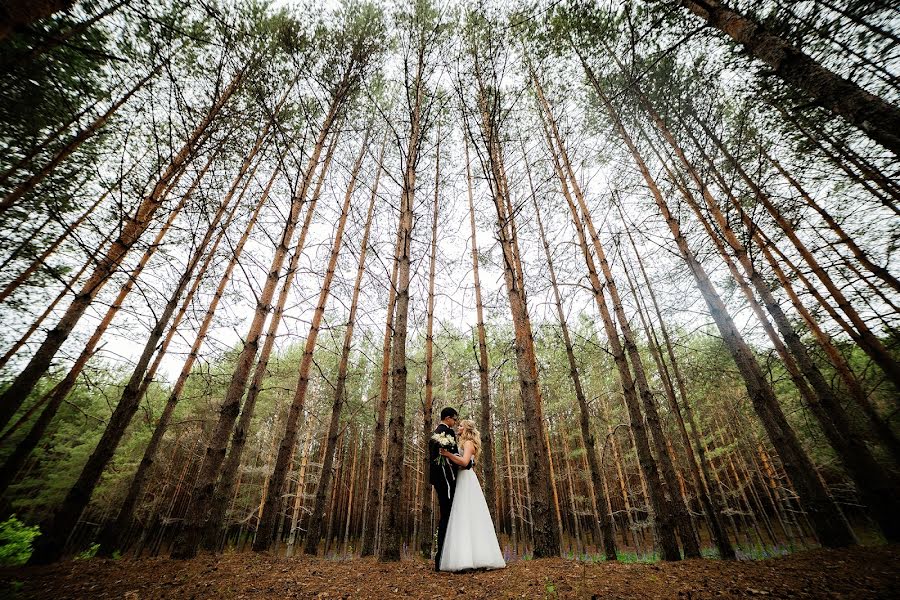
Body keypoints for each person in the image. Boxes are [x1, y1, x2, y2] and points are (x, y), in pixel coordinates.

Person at [438, 419, 506, 572]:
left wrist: (448, 455)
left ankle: (473, 559)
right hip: (463, 478)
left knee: (467, 515)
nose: (458, 427)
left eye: (461, 425)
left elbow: (464, 461)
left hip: (467, 479)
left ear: (467, 429)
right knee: (464, 516)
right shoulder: (464, 442)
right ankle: (467, 557)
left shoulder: (468, 443)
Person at [429, 406, 464, 571]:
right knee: (447, 516)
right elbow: (453, 456)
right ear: (448, 418)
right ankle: (442, 558)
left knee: (446, 515)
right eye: (454, 419)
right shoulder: (446, 433)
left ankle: (443, 557)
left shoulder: (435, 433)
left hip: (438, 480)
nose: (455, 423)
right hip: (446, 479)